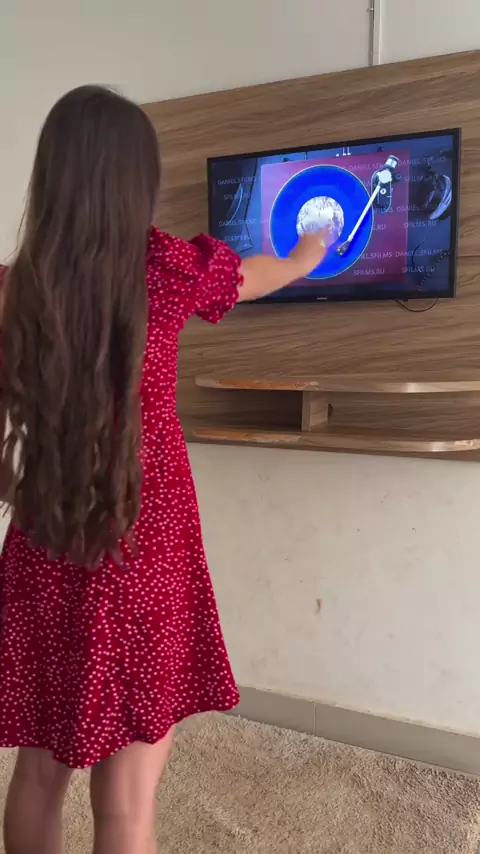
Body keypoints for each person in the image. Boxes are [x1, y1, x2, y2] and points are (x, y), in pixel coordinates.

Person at [0, 85, 327, 854]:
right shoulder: (168, 270)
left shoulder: (14, 290)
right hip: (147, 552)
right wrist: (307, 253)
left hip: (48, 547)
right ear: (136, 183)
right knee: (126, 803)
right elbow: (256, 274)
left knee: (37, 777)